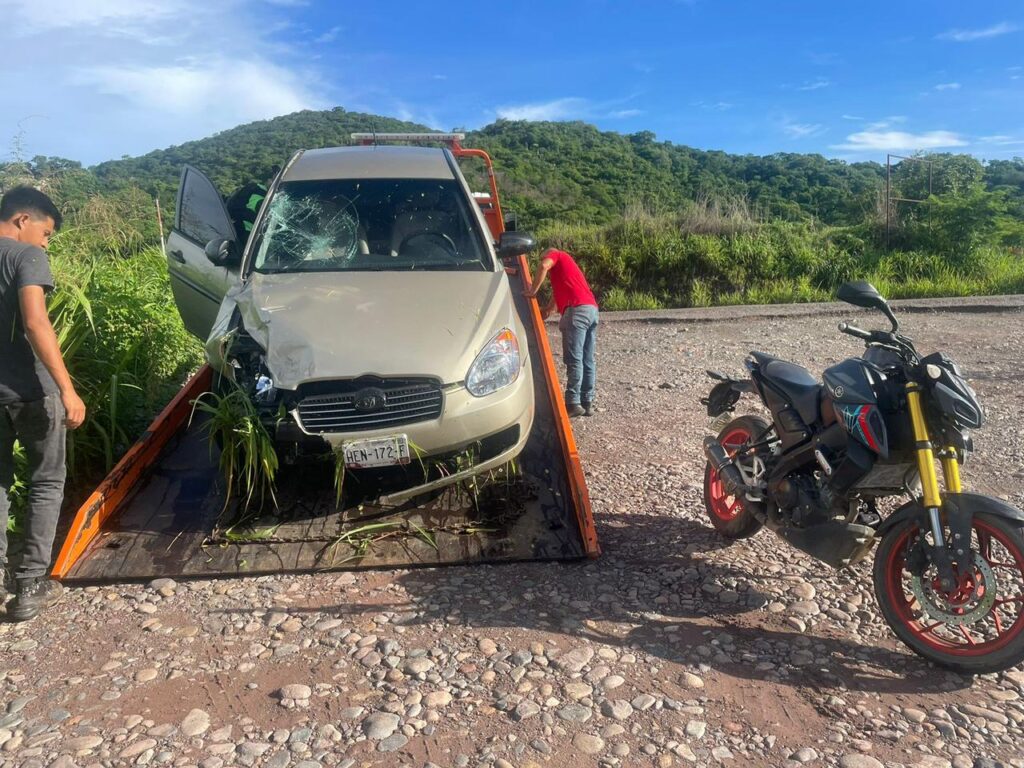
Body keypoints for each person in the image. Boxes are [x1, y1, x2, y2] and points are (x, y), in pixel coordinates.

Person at [0, 186, 86, 622]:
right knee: (46, 483)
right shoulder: (24, 257)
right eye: (46, 231)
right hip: (32, 391)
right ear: (22, 220)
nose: (46, 242)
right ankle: (29, 587)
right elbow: (36, 321)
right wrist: (67, 389)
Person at [524, 247, 599, 417]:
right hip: (591, 310)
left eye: (541, 256)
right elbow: (557, 296)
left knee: (574, 359)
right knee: (588, 360)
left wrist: (532, 291)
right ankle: (587, 402)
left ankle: (572, 403)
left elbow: (544, 266)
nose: (541, 259)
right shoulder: (568, 270)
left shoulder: (556, 254)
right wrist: (548, 310)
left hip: (577, 312)